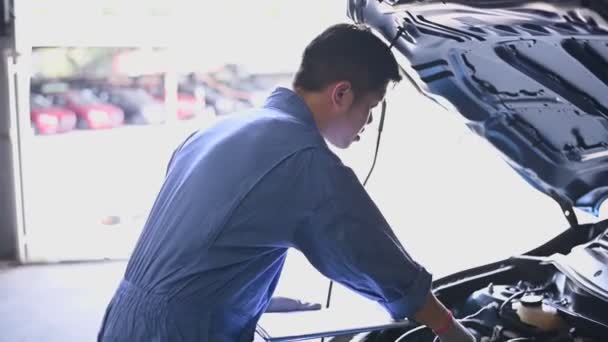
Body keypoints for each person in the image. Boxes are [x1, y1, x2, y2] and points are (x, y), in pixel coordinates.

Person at [97, 24, 475, 342]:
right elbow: (375, 259)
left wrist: (256, 298)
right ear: (341, 94)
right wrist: (451, 329)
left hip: (123, 321)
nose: (369, 123)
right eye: (370, 107)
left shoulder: (216, 131)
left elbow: (197, 252)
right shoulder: (302, 159)